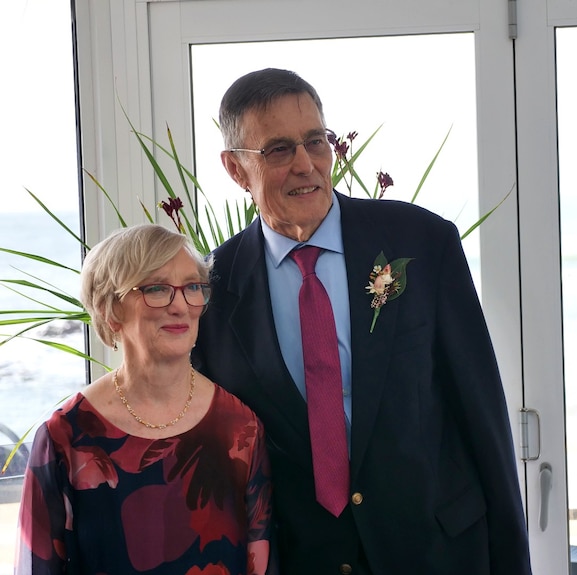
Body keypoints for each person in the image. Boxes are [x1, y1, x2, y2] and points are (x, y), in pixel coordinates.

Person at [191, 68, 532, 575]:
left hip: (439, 551)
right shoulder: (213, 292)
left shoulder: (421, 242)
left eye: (316, 141)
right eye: (280, 150)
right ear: (237, 170)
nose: (307, 165)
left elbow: (482, 413)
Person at [16, 224, 273, 575]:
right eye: (157, 288)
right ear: (110, 310)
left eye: (192, 288)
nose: (180, 305)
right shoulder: (65, 436)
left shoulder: (239, 428)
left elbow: (259, 563)